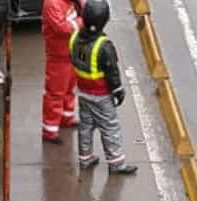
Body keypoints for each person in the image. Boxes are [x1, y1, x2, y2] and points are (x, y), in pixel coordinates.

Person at [69, 0, 138, 174]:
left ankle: (85, 158)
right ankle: (116, 163)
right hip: (101, 95)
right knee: (110, 127)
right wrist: (118, 91)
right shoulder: (104, 46)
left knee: (85, 126)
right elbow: (112, 73)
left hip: (83, 92)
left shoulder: (74, 38)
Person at [41, 0, 81, 143]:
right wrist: (81, 22)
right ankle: (50, 130)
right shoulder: (52, 4)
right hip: (58, 55)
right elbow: (61, 28)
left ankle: (66, 118)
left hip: (71, 52)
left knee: (69, 88)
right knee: (55, 92)